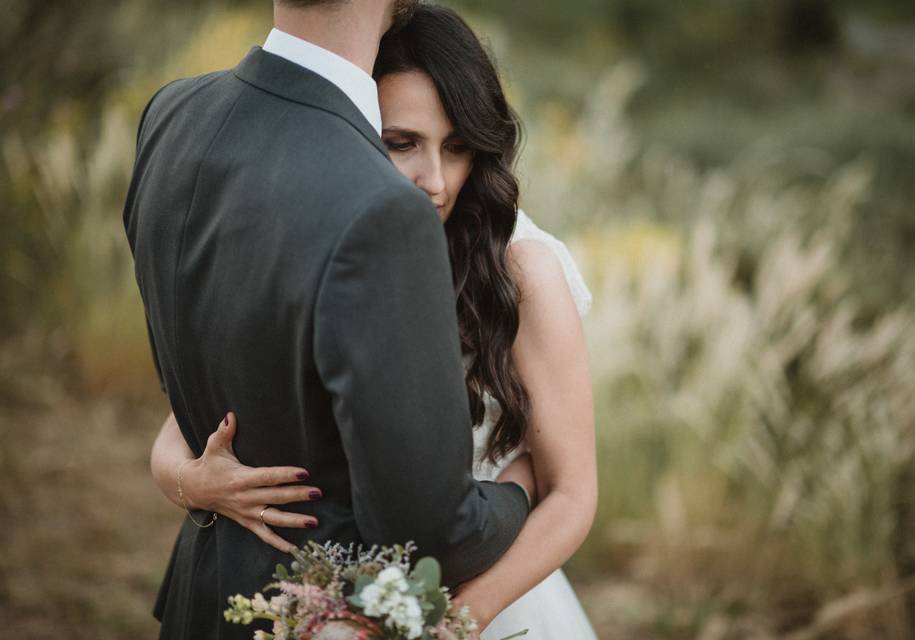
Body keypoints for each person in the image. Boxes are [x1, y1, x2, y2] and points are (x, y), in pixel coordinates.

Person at [150, 5, 599, 638]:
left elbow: (574, 495)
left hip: (494, 589)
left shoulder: (523, 274)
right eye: (402, 143)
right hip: (309, 594)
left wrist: (459, 619)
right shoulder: (336, 233)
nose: (435, 181)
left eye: (458, 148)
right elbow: (190, 421)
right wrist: (192, 482)